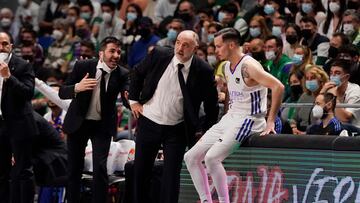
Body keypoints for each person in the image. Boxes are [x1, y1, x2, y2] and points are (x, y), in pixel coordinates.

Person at [184, 28, 284, 203]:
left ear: (231, 45)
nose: (215, 51)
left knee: (211, 158)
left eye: (218, 46)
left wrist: (270, 122)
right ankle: (206, 200)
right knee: (190, 157)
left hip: (249, 118)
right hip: (231, 117)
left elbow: (278, 87)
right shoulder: (226, 66)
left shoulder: (249, 66)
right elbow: (232, 92)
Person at [129, 30, 219, 203]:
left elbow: (211, 105)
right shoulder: (159, 54)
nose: (180, 47)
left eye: (186, 45)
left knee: (171, 177)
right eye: (178, 42)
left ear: (195, 47)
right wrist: (133, 101)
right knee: (140, 171)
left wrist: (206, 130)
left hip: (177, 129)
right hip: (149, 121)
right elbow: (137, 73)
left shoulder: (204, 70)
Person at [58, 36, 129, 203]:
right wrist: (77, 87)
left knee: (100, 168)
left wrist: (129, 97)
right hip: (78, 124)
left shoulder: (122, 73)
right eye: (112, 51)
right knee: (74, 169)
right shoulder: (84, 66)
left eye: (119, 52)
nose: (116, 55)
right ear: (101, 53)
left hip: (101, 126)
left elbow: (126, 96)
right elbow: (62, 92)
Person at [0, 31, 37, 203]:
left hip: (19, 125)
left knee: (23, 171)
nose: (1, 47)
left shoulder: (22, 65)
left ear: (11, 47)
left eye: (5, 43)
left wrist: (9, 77)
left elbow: (28, 93)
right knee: (2, 172)